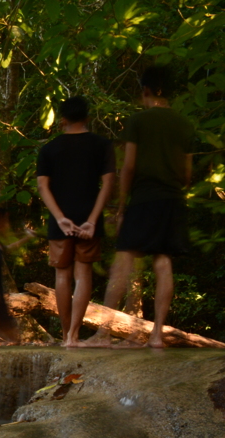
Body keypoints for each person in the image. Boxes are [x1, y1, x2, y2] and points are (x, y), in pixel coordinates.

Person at [86, 66, 194, 349]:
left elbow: (129, 166)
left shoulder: (138, 121)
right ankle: (156, 336)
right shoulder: (184, 124)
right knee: (163, 261)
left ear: (145, 90)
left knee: (123, 261)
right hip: (172, 199)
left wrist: (122, 207)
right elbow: (187, 174)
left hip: (144, 197)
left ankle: (103, 334)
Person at [37, 96, 116, 347]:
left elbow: (43, 186)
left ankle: (64, 335)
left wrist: (60, 218)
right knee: (83, 276)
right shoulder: (102, 145)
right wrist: (92, 220)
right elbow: (108, 184)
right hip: (87, 220)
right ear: (87, 117)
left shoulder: (49, 149)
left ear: (62, 120)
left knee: (62, 276)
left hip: (60, 221)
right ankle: (73, 335)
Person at [0, 206, 36, 345]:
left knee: (12, 337)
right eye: (5, 221)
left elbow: (9, 248)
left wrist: (28, 237)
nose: (8, 225)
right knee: (12, 337)